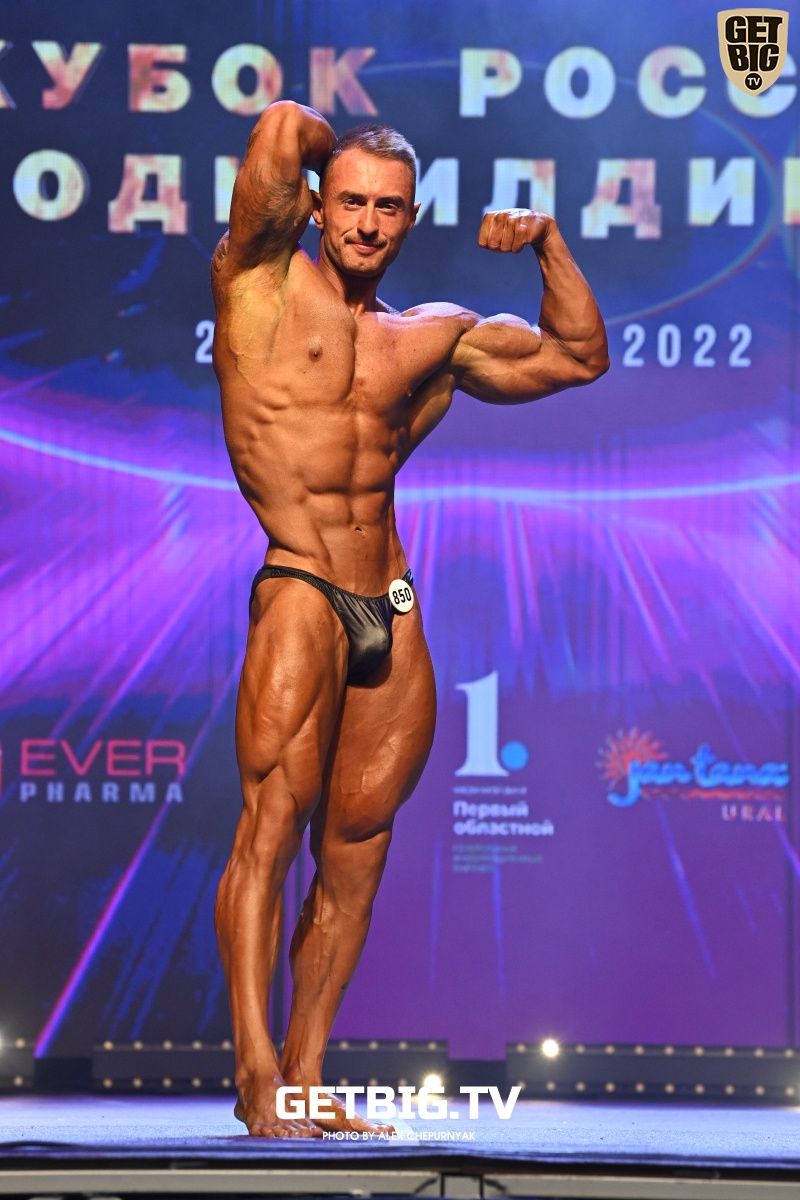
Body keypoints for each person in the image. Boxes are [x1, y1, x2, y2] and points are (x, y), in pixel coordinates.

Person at [210, 99, 609, 1139]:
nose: (367, 223)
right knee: (270, 829)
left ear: (411, 218)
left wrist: (547, 243)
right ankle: (255, 1070)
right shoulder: (258, 280)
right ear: (316, 205)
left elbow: (578, 356)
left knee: (355, 850)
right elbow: (279, 130)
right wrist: (325, 149)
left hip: (388, 598)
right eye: (349, 201)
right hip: (300, 583)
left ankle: (305, 1074)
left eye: (388, 208)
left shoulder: (428, 337)